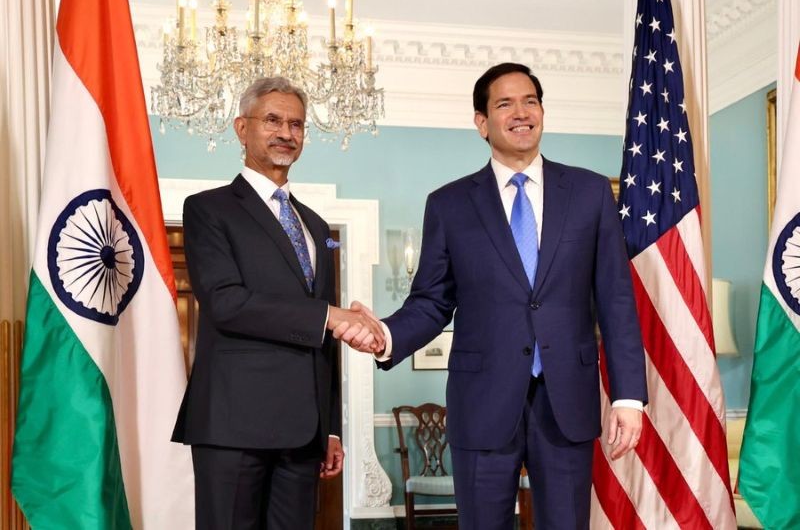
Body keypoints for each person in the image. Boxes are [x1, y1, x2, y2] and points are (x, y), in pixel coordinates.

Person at [341, 63, 648, 529]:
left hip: (567, 401)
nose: (521, 113)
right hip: (481, 402)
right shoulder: (448, 204)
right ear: (482, 122)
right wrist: (385, 334)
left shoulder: (589, 192)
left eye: (531, 101)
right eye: (505, 104)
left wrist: (628, 396)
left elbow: (616, 298)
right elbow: (431, 302)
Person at [171, 76, 384, 530]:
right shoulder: (208, 209)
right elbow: (226, 303)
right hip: (233, 425)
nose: (286, 133)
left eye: (297, 124)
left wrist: (330, 427)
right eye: (272, 120)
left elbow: (324, 340)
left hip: (304, 433)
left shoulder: (316, 225)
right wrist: (330, 315)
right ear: (241, 128)